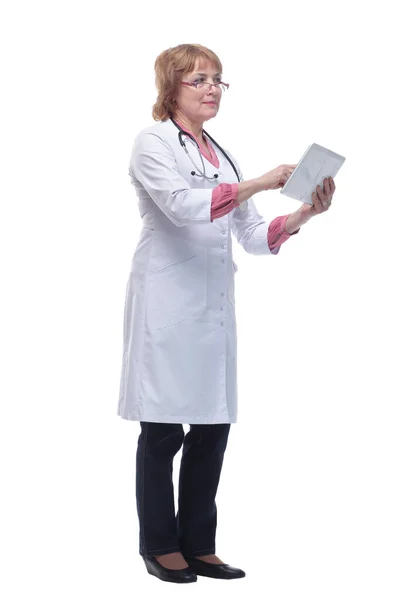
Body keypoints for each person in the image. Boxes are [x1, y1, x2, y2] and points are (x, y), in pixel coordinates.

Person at [117, 43, 336, 584]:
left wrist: (305, 211)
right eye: (199, 80)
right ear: (171, 87)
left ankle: (199, 543)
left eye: (218, 80)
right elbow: (182, 205)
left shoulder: (223, 153)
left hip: (212, 311)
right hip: (167, 306)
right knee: (163, 432)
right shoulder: (153, 143)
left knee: (212, 429)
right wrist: (261, 181)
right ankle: (158, 544)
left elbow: (251, 236)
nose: (213, 88)